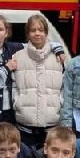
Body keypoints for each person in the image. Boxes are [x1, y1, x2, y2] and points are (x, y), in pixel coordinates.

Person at [11, 13, 66, 148]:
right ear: (27, 33)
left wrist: (60, 104)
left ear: (46, 33)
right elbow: (13, 86)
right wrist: (17, 103)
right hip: (25, 123)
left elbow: (65, 87)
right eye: (33, 30)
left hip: (51, 123)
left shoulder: (59, 57)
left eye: (41, 30)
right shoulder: (18, 56)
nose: (37, 34)